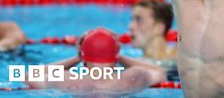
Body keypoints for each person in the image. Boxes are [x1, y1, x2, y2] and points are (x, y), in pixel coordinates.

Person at [26, 28, 165, 93]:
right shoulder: (133, 77)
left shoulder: (66, 79)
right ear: (116, 57)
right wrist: (119, 55)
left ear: (84, 58)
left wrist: (76, 58)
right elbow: (159, 72)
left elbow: (27, 76)